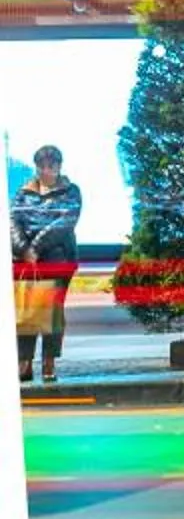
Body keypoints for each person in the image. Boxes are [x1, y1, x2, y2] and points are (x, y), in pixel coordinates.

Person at [12, 144, 83, 386]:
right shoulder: (23, 192)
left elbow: (64, 223)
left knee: (51, 312)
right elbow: (13, 220)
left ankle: (49, 361)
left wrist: (36, 247)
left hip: (57, 258)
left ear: (59, 166)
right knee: (26, 310)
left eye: (51, 166)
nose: (46, 170)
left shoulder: (71, 191)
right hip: (24, 261)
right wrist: (22, 248)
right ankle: (24, 362)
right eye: (41, 166)